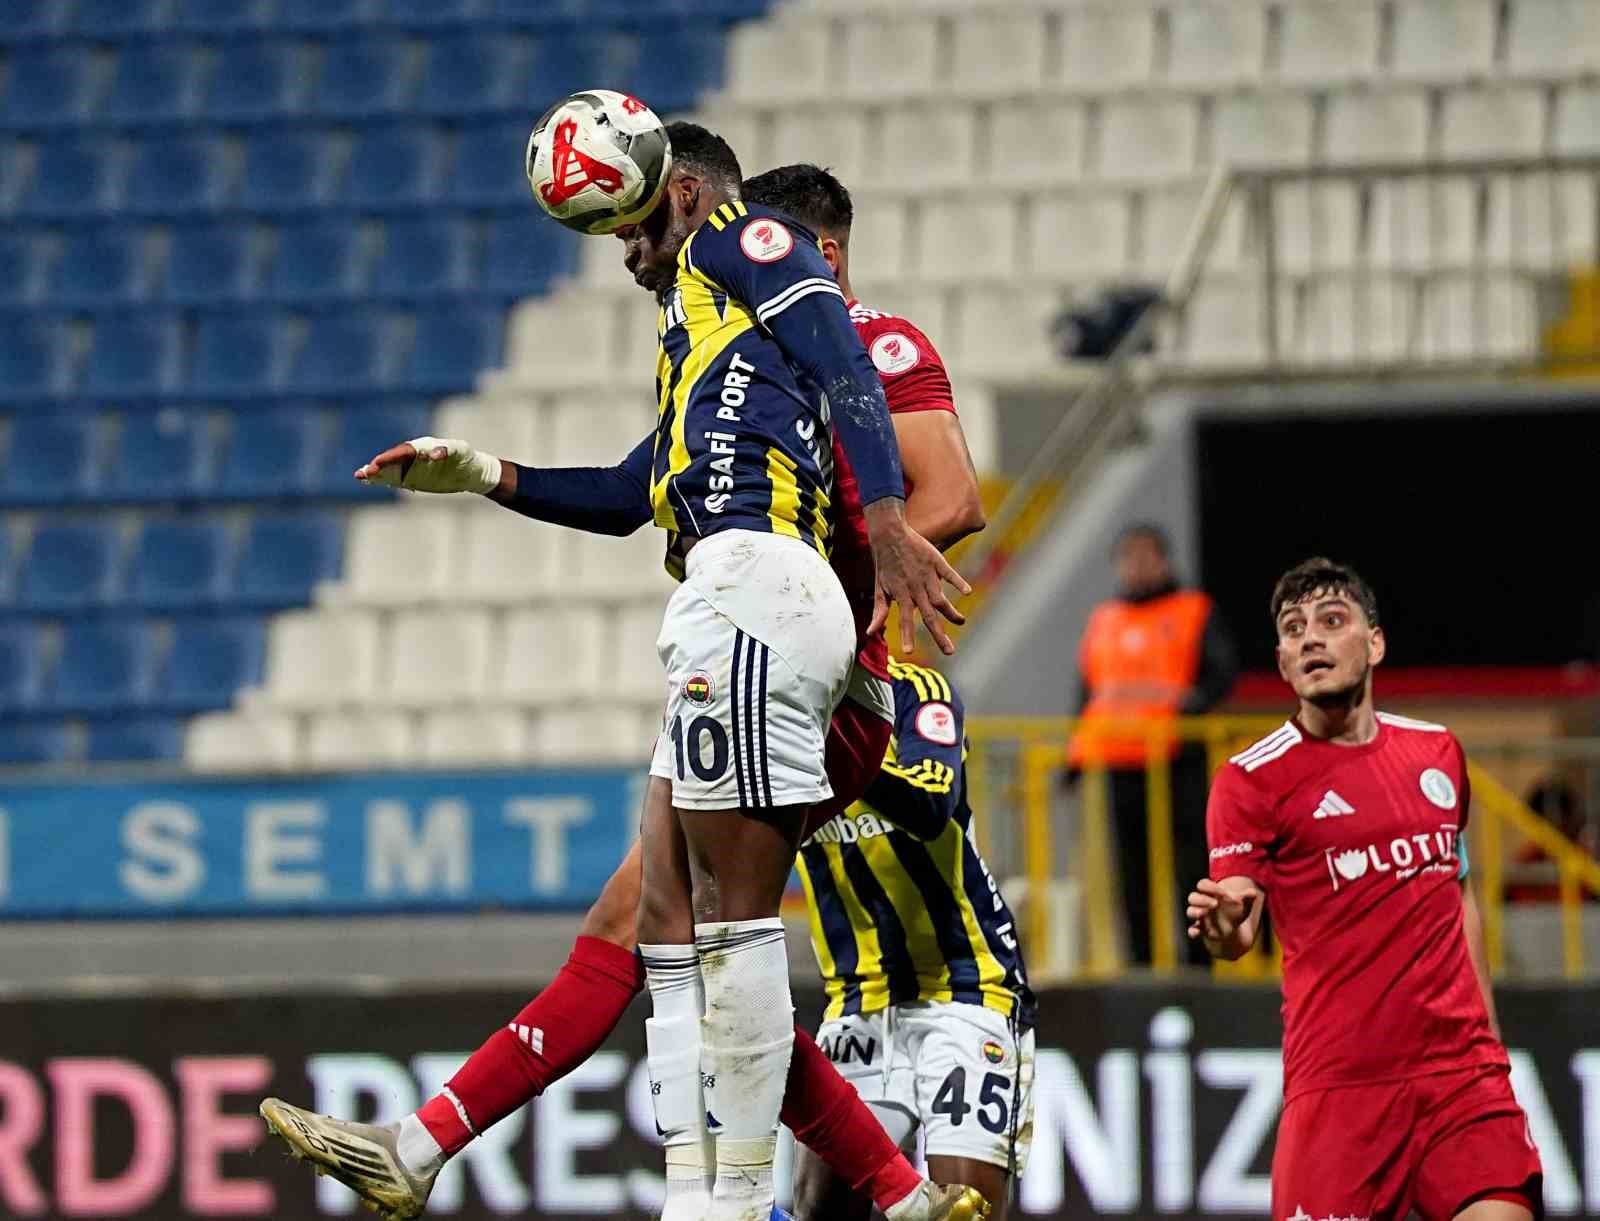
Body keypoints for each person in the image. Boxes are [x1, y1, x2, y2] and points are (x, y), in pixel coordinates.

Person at [260, 149, 988, 1221]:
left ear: (807, 250)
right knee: (642, 925)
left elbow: (953, 493)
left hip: (798, 656)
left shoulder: (849, 330)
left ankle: (732, 1201)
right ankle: (420, 1147)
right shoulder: (726, 358)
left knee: (717, 932)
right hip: (769, 642)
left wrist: (852, 565)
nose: (645, 258)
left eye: (654, 232)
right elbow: (626, 490)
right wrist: (483, 475)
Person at [1188, 558, 1543, 1221]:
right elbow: (1238, 925)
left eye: (1331, 620)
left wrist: (1489, 1045)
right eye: (1294, 630)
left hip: (1461, 1081)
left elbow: (1456, 891)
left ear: (1374, 643)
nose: (1311, 639)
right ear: (1283, 661)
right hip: (1340, 1092)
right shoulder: (1250, 780)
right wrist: (1223, 928)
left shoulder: (1438, 751)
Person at [792, 659, 1035, 1221]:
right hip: (857, 1000)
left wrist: (829, 743)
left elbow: (929, 806)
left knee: (965, 1213)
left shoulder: (913, 692)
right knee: (819, 1208)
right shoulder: (772, 715)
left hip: (967, 989)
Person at [1066, 522, 1236, 966]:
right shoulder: (1104, 619)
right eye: (1129, 557)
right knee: (1131, 875)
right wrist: (1074, 758)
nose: (1137, 567)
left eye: (1146, 556)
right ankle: (1140, 963)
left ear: (1165, 560)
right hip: (1119, 758)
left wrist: (1190, 709)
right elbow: (1088, 694)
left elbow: (1219, 676)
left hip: (1179, 756)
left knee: (1190, 868)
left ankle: (1198, 963)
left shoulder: (1194, 610)